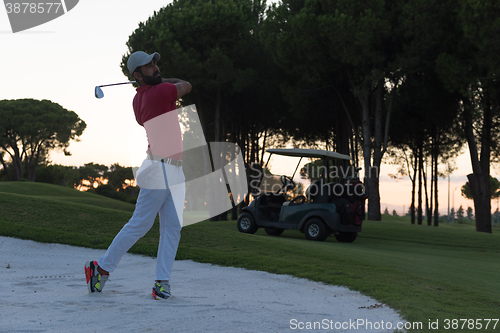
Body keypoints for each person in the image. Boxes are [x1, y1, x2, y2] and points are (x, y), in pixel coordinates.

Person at [85, 51, 192, 300]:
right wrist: (163, 80)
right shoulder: (161, 92)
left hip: (174, 169)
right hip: (159, 169)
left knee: (172, 229)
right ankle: (99, 269)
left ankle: (161, 283)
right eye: (149, 66)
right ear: (136, 74)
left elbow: (164, 87)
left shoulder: (139, 100)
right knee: (140, 224)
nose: (155, 67)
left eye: (155, 63)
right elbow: (186, 85)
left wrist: (153, 79)